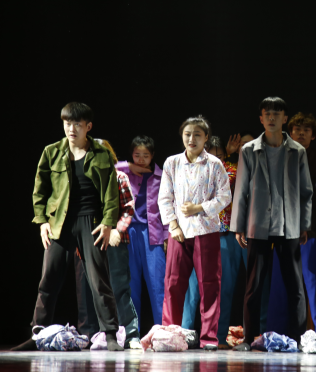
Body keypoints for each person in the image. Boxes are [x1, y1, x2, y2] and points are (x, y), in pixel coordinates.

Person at [13, 102, 123, 351]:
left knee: (99, 281)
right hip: (59, 222)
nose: (71, 129)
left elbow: (111, 193)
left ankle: (110, 335)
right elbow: (39, 190)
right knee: (48, 280)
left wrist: (108, 223)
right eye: (67, 123)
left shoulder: (101, 153)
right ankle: (37, 334)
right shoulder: (52, 151)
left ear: (88, 126)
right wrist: (42, 221)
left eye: (77, 124)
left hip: (91, 221)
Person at [231, 97, 313, 351]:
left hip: (289, 226)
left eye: (277, 114)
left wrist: (304, 224)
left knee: (295, 287)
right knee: (253, 286)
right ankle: (249, 339)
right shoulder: (249, 150)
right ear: (261, 118)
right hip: (258, 226)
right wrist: (239, 225)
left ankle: (299, 339)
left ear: (285, 118)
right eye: (267, 114)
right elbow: (241, 190)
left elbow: (306, 192)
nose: (272, 118)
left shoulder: (297, 150)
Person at [182, 135, 270, 348]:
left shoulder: (231, 169)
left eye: (220, 155)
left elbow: (226, 180)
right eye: (211, 155)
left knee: (241, 287)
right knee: (199, 289)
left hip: (232, 233)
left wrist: (228, 157)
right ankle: (199, 335)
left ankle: (240, 335)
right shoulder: (192, 171)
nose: (216, 159)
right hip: (203, 232)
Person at [158, 116, 232, 350]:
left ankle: (208, 338)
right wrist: (173, 226)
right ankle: (170, 335)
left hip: (206, 231)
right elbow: (164, 197)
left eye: (197, 135)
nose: (191, 139)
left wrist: (199, 208)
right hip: (179, 233)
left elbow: (225, 196)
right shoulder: (172, 163)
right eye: (187, 134)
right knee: (173, 284)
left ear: (206, 138)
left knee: (209, 285)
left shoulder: (214, 164)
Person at [74, 139, 141, 349]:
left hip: (114, 241)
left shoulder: (119, 176)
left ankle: (131, 335)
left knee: (119, 288)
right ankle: (91, 334)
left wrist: (117, 230)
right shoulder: (82, 178)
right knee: (91, 289)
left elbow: (128, 208)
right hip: (89, 240)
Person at [266, 112, 316, 335]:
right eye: (297, 130)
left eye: (306, 130)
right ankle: (277, 334)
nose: (301, 133)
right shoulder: (279, 155)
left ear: (313, 135)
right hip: (282, 229)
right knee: (280, 285)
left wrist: (307, 225)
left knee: (313, 283)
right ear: (289, 133)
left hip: (312, 230)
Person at [115, 135, 167, 332]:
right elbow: (108, 167)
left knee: (157, 284)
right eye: (137, 155)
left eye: (146, 155)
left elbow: (168, 207)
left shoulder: (161, 176)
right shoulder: (125, 173)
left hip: (153, 234)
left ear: (152, 155)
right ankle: (131, 333)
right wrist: (129, 166)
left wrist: (167, 236)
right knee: (130, 285)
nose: (141, 159)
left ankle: (162, 332)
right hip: (128, 232)